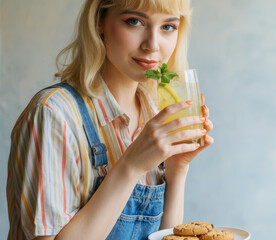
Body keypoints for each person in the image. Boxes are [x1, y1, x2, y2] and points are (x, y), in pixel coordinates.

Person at [6, 0, 214, 239]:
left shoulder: (154, 113)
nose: (152, 45)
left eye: (168, 27)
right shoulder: (54, 114)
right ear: (99, 22)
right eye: (134, 22)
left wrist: (178, 168)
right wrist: (131, 165)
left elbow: (167, 236)